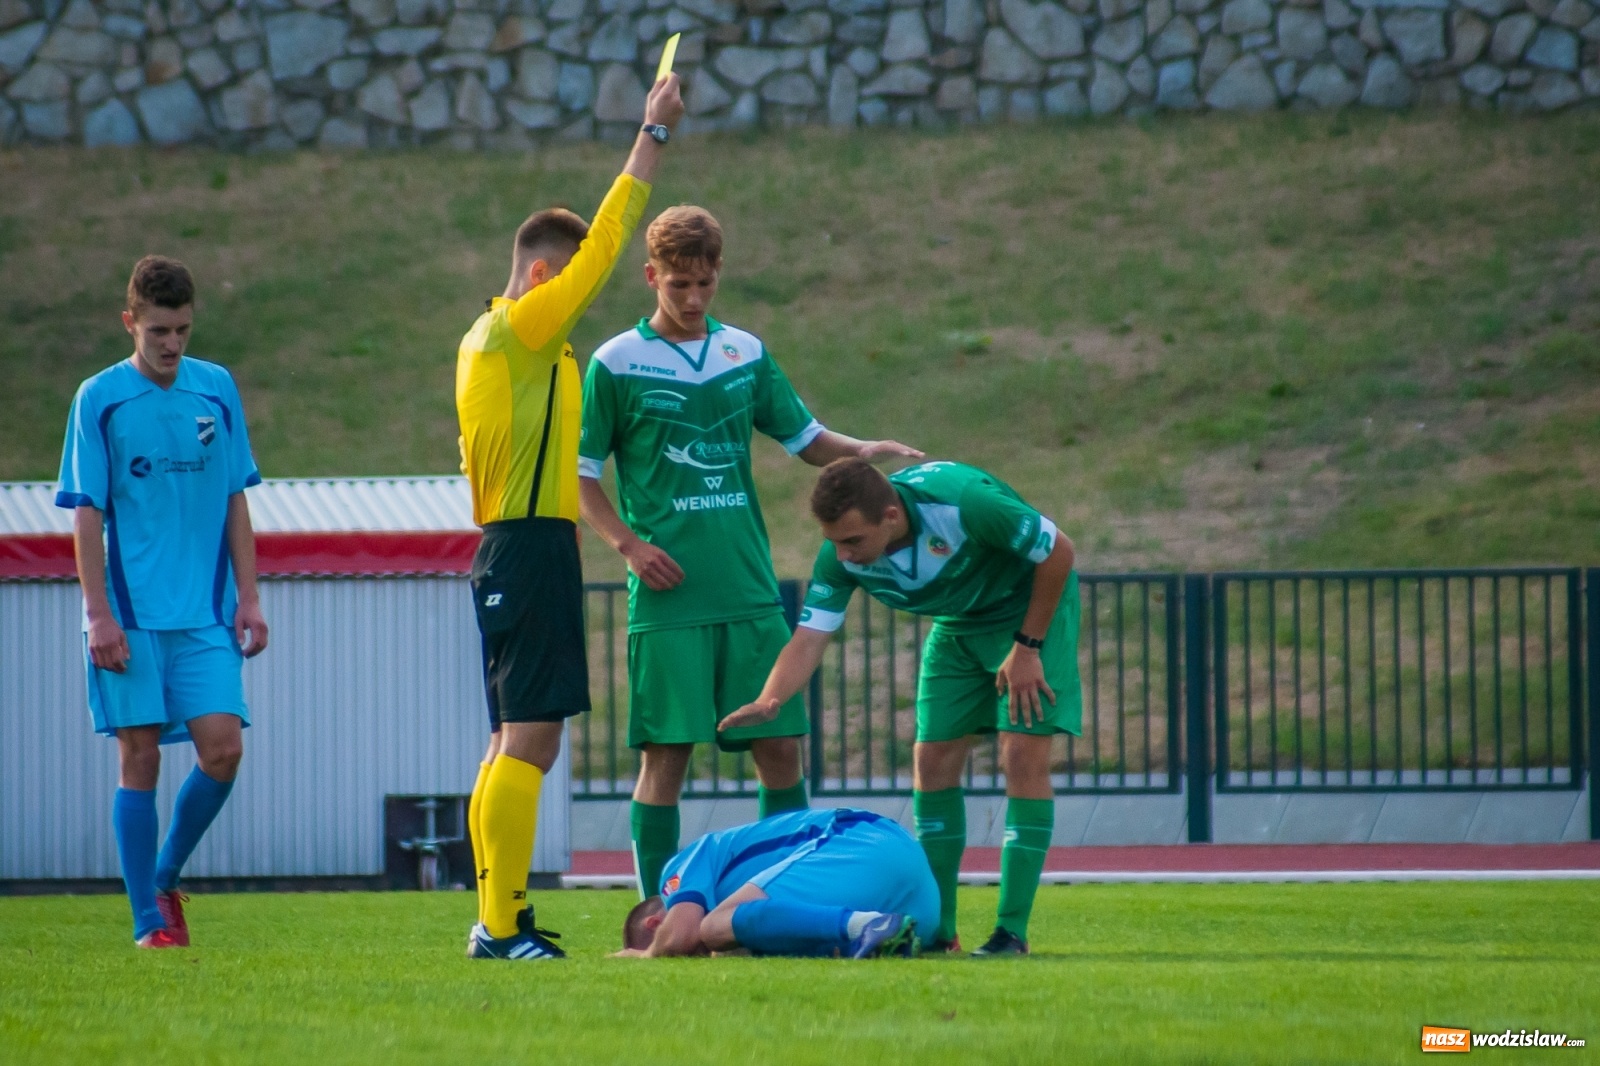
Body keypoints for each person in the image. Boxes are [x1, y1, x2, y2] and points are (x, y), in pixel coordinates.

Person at [577, 205, 921, 899]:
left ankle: (780, 903)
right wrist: (629, 543)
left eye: (705, 282)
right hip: (669, 599)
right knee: (666, 757)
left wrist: (862, 450)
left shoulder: (746, 353)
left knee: (779, 750)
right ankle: (654, 913)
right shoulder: (615, 362)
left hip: (748, 588)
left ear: (718, 274)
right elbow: (579, 477)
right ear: (651, 277)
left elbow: (804, 439)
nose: (694, 298)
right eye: (678, 285)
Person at [455, 74, 685, 961]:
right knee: (533, 741)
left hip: (508, 547)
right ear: (542, 273)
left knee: (509, 740)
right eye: (568, 282)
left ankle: (496, 919)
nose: (577, 304)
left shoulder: (487, 340)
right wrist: (650, 138)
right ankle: (502, 924)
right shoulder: (519, 327)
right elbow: (602, 256)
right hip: (528, 547)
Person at [721, 458, 1081, 957]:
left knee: (1021, 755)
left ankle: (1010, 932)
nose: (843, 555)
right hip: (956, 625)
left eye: (852, 541)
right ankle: (938, 932)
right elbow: (808, 638)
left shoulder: (966, 503)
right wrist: (770, 698)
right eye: (835, 542)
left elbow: (1058, 551)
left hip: (1026, 618)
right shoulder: (841, 557)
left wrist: (1028, 646)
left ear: (891, 516)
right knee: (931, 762)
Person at [56, 255, 269, 948]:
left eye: (181, 329)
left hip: (205, 617)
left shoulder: (216, 389)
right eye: (157, 332)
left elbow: (236, 495)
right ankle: (150, 926)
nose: (172, 344)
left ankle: (164, 875)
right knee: (139, 758)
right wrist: (97, 615)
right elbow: (86, 512)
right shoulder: (100, 399)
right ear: (130, 324)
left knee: (224, 750)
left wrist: (250, 598)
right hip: (133, 617)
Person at [617, 807, 937, 959]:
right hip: (919, 903)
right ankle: (880, 932)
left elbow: (680, 936)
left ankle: (868, 925)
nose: (693, 960)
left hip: (861, 841)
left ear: (656, 922)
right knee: (733, 940)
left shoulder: (680, 867)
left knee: (712, 927)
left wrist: (644, 957)